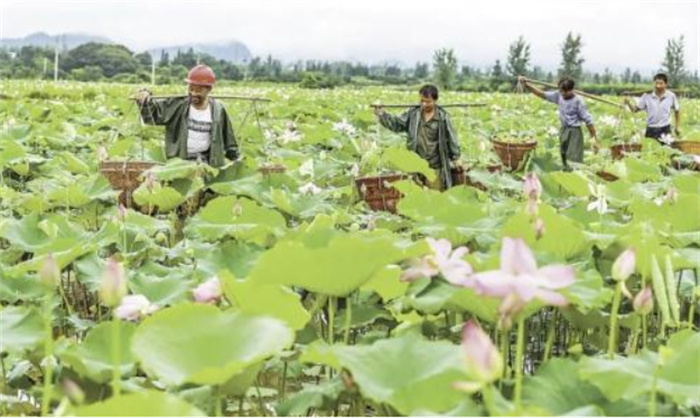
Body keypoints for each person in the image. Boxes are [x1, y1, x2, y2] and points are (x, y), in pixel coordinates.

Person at [135, 64, 239, 167]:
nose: (193, 93)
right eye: (191, 88)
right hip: (180, 163)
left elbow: (229, 140)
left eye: (198, 90)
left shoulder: (218, 109)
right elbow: (153, 113)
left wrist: (236, 161)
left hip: (207, 163)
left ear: (209, 89)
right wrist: (145, 97)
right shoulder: (178, 105)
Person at [374, 84, 462, 190]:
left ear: (435, 100)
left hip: (434, 166)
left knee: (434, 198)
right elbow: (397, 124)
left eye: (428, 102)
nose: (424, 104)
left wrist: (456, 157)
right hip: (415, 164)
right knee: (415, 197)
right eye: (422, 101)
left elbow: (451, 138)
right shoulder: (413, 114)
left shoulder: (443, 118)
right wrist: (382, 114)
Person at [519, 76, 599, 170]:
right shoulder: (558, 95)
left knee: (574, 160)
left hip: (574, 133)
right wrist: (527, 85)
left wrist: (595, 139)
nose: (563, 93)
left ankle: (574, 179)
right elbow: (541, 94)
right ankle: (565, 178)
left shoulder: (578, 101)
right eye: (562, 91)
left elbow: (588, 121)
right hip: (563, 131)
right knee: (564, 157)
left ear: (572, 89)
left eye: (566, 91)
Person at [624, 73, 681, 143]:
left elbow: (677, 110)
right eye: (656, 83)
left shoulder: (671, 96)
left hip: (665, 128)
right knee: (650, 151)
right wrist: (628, 103)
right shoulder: (646, 96)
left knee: (666, 151)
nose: (658, 86)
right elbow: (634, 110)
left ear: (666, 84)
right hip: (651, 129)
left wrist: (677, 127)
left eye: (661, 83)